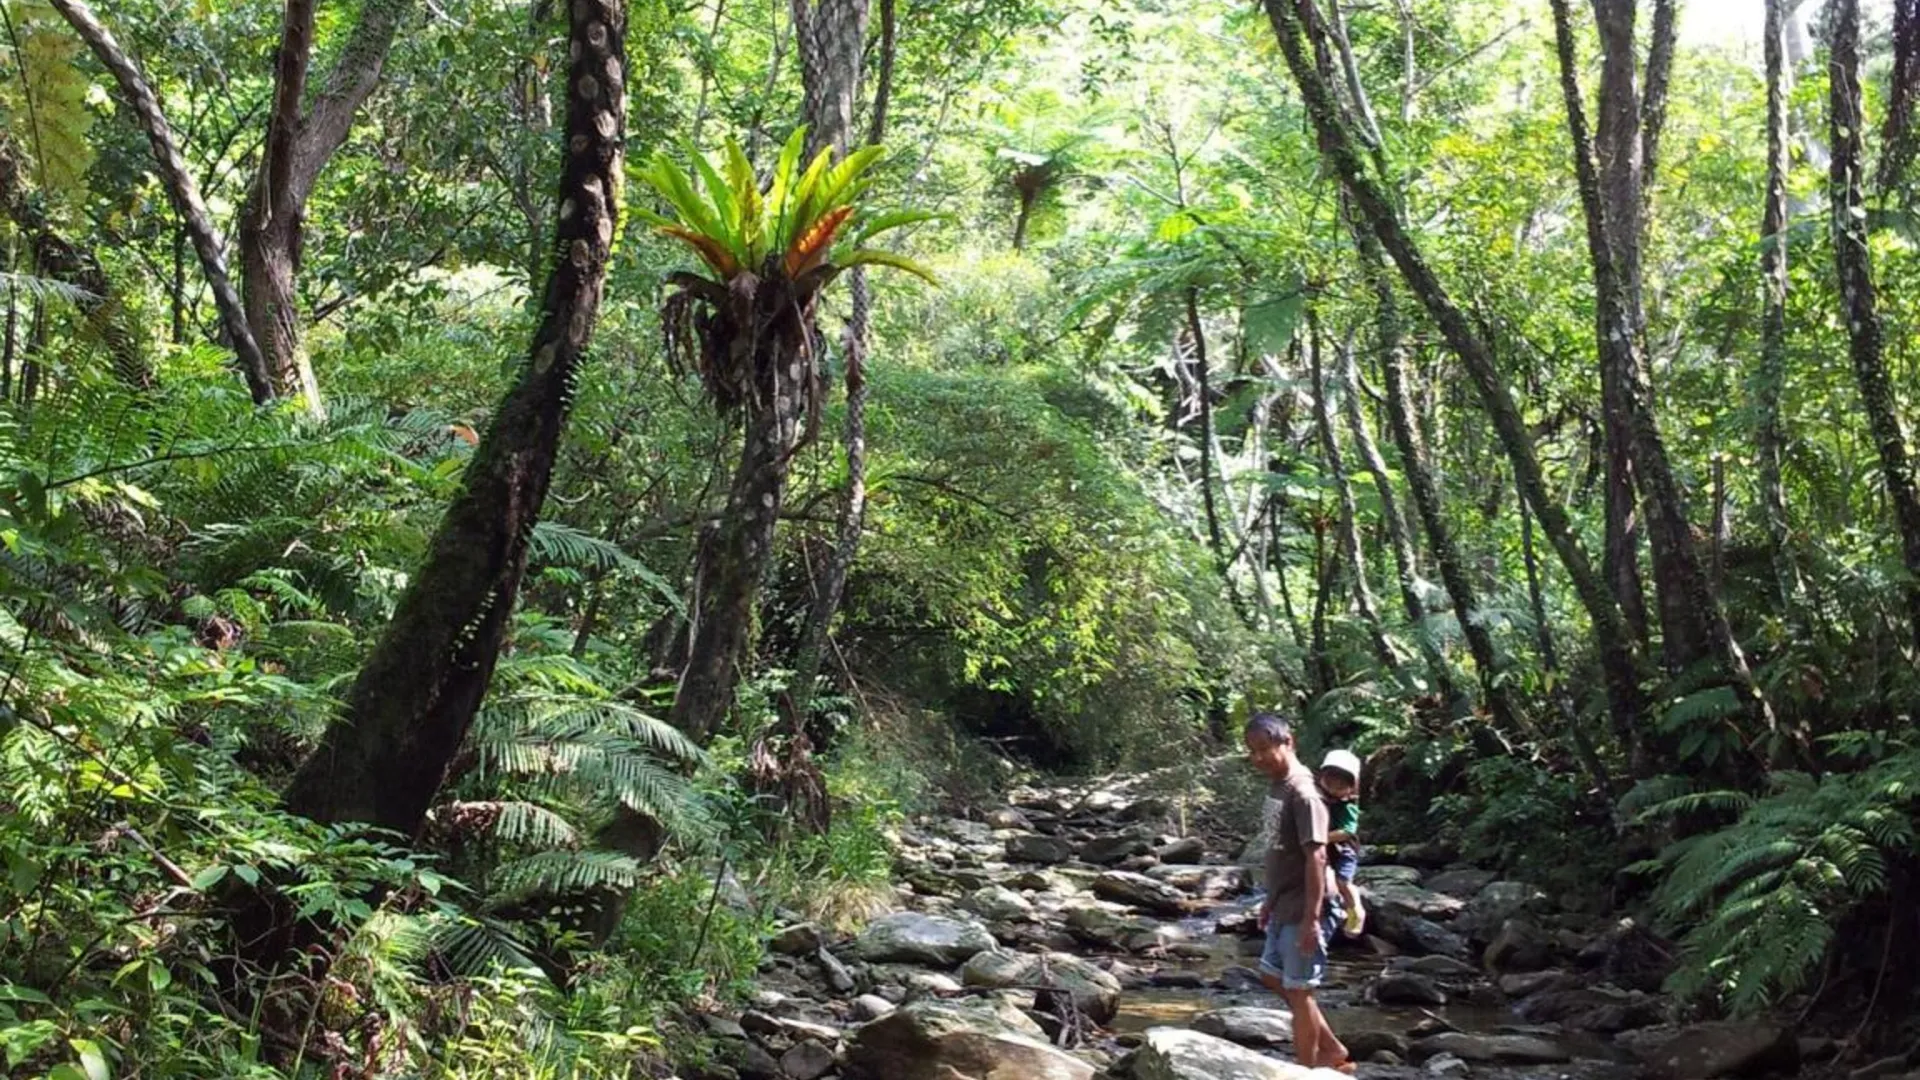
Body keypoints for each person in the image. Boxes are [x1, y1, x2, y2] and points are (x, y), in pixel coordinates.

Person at [1244, 712, 1353, 1074]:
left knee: (1300, 990)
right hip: (1284, 902)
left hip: (1306, 906)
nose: (1258, 757)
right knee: (1272, 976)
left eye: (1264, 748)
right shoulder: (1278, 786)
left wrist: (1312, 919)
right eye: (1252, 750)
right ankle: (1332, 1048)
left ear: (1288, 742)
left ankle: (1304, 1070)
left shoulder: (1304, 793)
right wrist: (1270, 899)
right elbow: (1281, 851)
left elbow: (1317, 857)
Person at [1318, 748, 1367, 938]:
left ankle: (1357, 912)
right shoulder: (1318, 797)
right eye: (1330, 783)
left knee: (1343, 881)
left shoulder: (1348, 806)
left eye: (1340, 786)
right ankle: (1337, 909)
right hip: (1328, 848)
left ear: (1351, 787)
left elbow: (1348, 831)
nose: (1334, 789)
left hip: (1345, 849)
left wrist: (1321, 837)